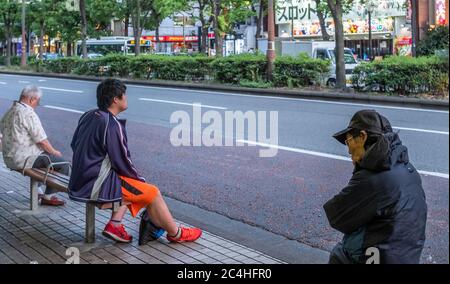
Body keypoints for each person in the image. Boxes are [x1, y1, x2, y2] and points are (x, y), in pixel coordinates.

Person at [68, 79, 202, 244]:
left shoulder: (88, 115)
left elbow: (74, 144)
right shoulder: (111, 124)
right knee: (151, 192)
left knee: (130, 185)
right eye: (124, 95)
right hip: (94, 185)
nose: (126, 98)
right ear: (116, 99)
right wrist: (140, 181)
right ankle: (176, 234)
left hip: (78, 179)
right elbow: (122, 160)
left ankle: (115, 225)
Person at [324, 109, 427, 264]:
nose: (348, 149)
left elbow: (337, 217)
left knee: (340, 252)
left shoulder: (373, 177)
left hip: (381, 258)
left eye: (348, 140)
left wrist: (360, 168)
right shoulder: (408, 169)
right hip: (409, 256)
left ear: (363, 137)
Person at [0, 86, 67, 206]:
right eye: (38, 101)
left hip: (10, 159)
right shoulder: (28, 113)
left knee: (44, 160)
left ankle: (38, 191)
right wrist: (54, 152)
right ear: (32, 99)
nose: (37, 104)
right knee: (62, 164)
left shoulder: (10, 111)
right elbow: (42, 141)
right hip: (24, 159)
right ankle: (48, 197)